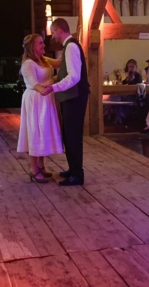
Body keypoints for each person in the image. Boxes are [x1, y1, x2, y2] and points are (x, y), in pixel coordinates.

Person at [44, 18, 89, 186]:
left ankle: (77, 174)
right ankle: (73, 169)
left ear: (60, 30)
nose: (53, 36)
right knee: (69, 134)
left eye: (53, 32)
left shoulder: (71, 47)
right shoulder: (69, 46)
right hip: (71, 98)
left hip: (74, 98)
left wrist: (54, 87)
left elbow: (74, 77)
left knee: (73, 136)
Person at [17, 34, 63, 183]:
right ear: (32, 47)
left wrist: (70, 45)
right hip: (36, 100)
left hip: (46, 98)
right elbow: (33, 83)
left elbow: (59, 63)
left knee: (44, 131)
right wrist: (44, 89)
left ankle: (41, 166)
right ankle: (33, 168)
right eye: (40, 43)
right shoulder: (28, 64)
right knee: (35, 132)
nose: (44, 45)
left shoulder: (44, 60)